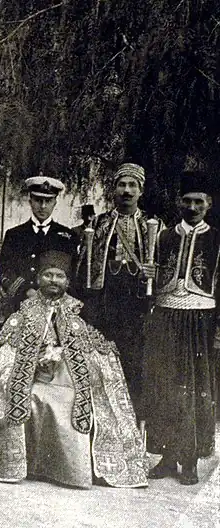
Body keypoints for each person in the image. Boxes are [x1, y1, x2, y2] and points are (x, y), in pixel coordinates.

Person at [0, 250, 148, 489]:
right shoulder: (23, 312)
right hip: (34, 379)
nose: (53, 280)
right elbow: (6, 354)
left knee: (72, 402)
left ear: (67, 282)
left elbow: (96, 354)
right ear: (38, 279)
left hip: (69, 381)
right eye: (48, 275)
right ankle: (32, 466)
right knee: (31, 397)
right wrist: (34, 361)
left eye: (59, 276)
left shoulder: (79, 312)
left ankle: (71, 472)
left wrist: (64, 356)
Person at [142, 171, 219, 486]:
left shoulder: (216, 239)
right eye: (186, 201)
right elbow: (151, 284)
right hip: (166, 317)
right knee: (165, 386)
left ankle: (189, 460)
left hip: (200, 321)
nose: (192, 207)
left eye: (198, 201)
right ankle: (166, 456)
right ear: (178, 202)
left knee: (193, 388)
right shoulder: (163, 237)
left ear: (209, 203)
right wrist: (147, 274)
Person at [78, 163, 160, 405]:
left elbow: (165, 265)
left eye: (132, 185)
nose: (127, 190)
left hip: (137, 303)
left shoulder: (153, 225)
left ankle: (134, 413)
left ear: (141, 191)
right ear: (114, 189)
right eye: (122, 185)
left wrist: (154, 272)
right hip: (106, 301)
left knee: (134, 360)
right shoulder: (99, 224)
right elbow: (83, 266)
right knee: (103, 358)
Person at [0, 177, 77, 317]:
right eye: (38, 200)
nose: (43, 206)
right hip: (21, 304)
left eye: (48, 201)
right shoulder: (15, 235)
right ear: (30, 201)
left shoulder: (67, 237)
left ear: (55, 203)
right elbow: (4, 270)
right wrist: (26, 291)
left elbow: (73, 273)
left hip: (57, 307)